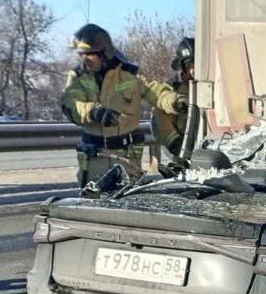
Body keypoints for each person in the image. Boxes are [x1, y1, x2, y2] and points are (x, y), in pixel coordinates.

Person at [60, 24, 187, 188]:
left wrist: (176, 102)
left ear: (104, 54)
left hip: (127, 156)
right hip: (94, 158)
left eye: (90, 55)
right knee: (94, 206)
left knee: (126, 206)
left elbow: (156, 92)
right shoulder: (77, 77)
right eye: (82, 54)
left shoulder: (130, 75)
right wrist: (94, 112)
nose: (85, 59)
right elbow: (70, 103)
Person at [152, 36, 195, 167]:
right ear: (183, 67)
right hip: (181, 148)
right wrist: (178, 103)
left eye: (197, 64)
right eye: (190, 66)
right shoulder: (173, 88)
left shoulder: (215, 85)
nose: (194, 70)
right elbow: (163, 100)